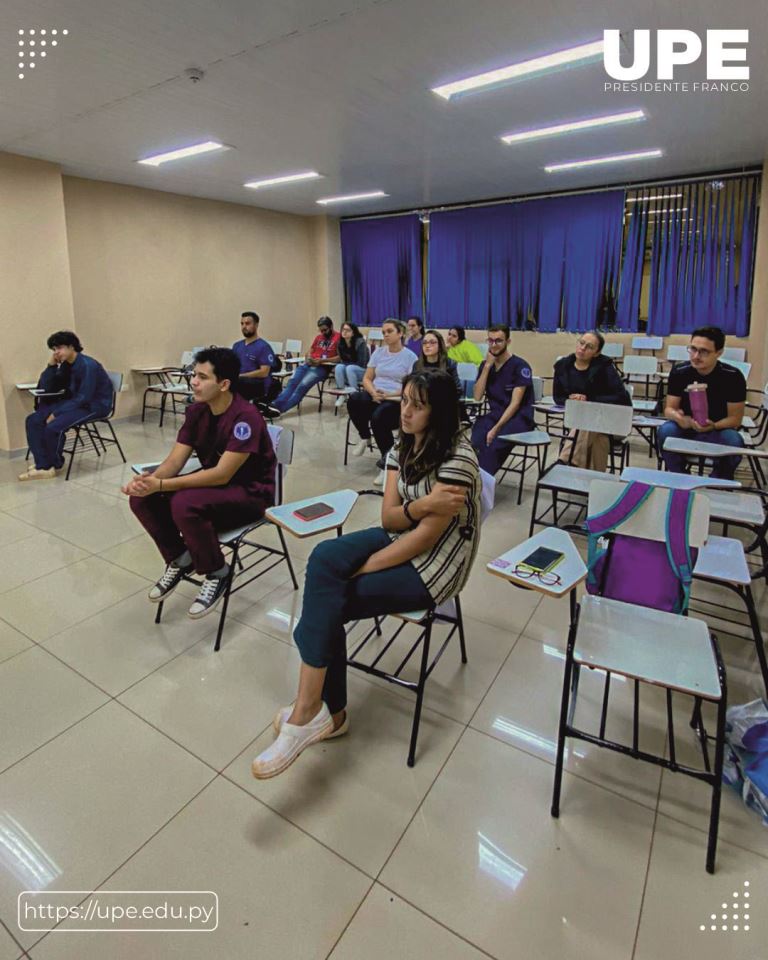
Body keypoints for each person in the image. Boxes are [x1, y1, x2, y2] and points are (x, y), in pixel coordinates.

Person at [250, 369, 481, 779]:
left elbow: (427, 541)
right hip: (399, 533)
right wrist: (424, 505)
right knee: (323, 558)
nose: (405, 411)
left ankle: (319, 712)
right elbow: (389, 515)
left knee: (332, 598)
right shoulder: (403, 441)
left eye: (417, 405)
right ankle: (317, 712)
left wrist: (363, 567)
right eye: (405, 400)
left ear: (440, 412)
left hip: (436, 565)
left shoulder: (459, 460)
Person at [122, 347, 276, 619]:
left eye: (202, 377)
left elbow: (222, 475)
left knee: (184, 502)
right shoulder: (197, 412)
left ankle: (218, 571)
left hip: (251, 494)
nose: (193, 381)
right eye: (194, 375)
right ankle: (181, 558)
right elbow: (174, 462)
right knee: (141, 500)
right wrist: (148, 482)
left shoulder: (246, 417)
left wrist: (162, 486)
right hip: (216, 491)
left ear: (224, 384)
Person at [19, 331, 113, 481]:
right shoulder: (67, 365)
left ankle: (52, 464)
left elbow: (84, 396)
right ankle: (43, 464)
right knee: (33, 420)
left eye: (59, 348)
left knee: (53, 427)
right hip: (75, 403)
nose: (56, 352)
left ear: (71, 347)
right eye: (54, 349)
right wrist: (51, 366)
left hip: (94, 406)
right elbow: (47, 387)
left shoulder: (88, 365)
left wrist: (57, 413)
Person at [657, 325, 746, 480]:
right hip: (687, 427)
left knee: (734, 440)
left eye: (704, 351)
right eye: (693, 349)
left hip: (718, 428)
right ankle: (681, 477)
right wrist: (680, 419)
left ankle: (716, 481)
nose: (696, 356)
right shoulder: (679, 372)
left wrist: (714, 426)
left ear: (719, 352)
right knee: (665, 431)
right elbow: (669, 409)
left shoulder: (733, 377)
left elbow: (735, 419)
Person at [347, 319, 417, 483]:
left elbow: (411, 386)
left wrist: (389, 395)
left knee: (379, 418)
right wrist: (373, 392)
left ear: (400, 333)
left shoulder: (410, 357)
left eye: (389, 331)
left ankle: (387, 464)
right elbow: (367, 378)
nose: (385, 335)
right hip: (376, 394)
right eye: (383, 332)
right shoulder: (378, 353)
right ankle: (365, 437)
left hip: (396, 398)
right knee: (354, 400)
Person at [553, 330, 631, 472]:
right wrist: (570, 399)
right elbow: (557, 397)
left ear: (596, 353)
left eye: (589, 347)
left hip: (612, 420)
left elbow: (620, 397)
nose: (582, 348)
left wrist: (589, 400)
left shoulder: (605, 366)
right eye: (581, 343)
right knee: (600, 440)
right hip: (584, 423)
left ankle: (566, 459)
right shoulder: (563, 366)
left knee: (589, 418)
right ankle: (593, 482)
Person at [470, 325, 535, 475]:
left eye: (498, 341)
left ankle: (482, 483)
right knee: (476, 441)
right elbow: (477, 396)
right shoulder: (486, 365)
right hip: (496, 413)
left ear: (508, 341)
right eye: (490, 341)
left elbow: (515, 403)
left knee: (495, 444)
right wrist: (487, 367)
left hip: (519, 417)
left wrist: (496, 429)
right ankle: (474, 478)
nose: (493, 345)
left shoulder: (520, 366)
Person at [268, 317, 340, 416]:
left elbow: (339, 358)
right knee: (292, 382)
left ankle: (280, 410)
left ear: (331, 326)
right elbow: (310, 350)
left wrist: (322, 360)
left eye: (325, 330)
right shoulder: (319, 337)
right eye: (321, 330)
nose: (323, 332)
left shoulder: (339, 338)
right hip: (308, 364)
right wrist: (308, 357)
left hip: (322, 367)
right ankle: (275, 405)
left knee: (302, 385)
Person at [232, 311, 275, 403]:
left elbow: (264, 372)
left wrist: (240, 376)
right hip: (239, 381)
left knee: (233, 384)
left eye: (247, 323)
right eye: (242, 324)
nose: (244, 326)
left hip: (257, 384)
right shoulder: (237, 346)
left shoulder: (263, 347)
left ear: (256, 325)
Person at [334, 321, 370, 408]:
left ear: (353, 332)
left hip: (363, 371)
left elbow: (363, 363)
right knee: (338, 367)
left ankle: (354, 395)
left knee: (350, 368)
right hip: (349, 370)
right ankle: (342, 394)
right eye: (343, 330)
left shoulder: (360, 343)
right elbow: (342, 361)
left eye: (348, 330)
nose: (344, 332)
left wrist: (348, 366)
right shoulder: (340, 343)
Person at [415, 329, 461, 396]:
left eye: (432, 342)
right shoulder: (417, 364)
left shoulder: (449, 363)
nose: (427, 346)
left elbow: (457, 389)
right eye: (424, 343)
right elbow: (413, 388)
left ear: (440, 345)